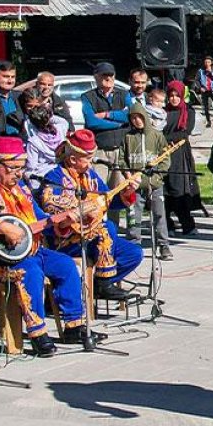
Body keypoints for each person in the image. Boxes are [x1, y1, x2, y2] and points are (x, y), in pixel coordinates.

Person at [0, 137, 95, 356]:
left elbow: (40, 219)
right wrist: (2, 227)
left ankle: (74, 325)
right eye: (13, 168)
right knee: (31, 272)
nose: (18, 173)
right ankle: (37, 333)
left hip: (32, 249)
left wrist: (63, 220)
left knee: (64, 264)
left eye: (21, 168)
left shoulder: (21, 188)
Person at [39, 129, 144, 302]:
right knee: (108, 227)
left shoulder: (91, 176)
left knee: (134, 253)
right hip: (67, 239)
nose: (91, 162)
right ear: (73, 159)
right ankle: (103, 284)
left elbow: (107, 200)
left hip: (94, 238)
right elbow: (51, 208)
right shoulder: (55, 177)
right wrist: (85, 210)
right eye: (87, 158)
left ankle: (95, 285)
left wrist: (126, 192)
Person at [80, 62, 131, 228]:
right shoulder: (88, 96)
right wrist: (117, 123)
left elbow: (130, 116)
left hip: (120, 151)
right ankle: (97, 227)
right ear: (96, 77)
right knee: (98, 192)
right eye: (104, 75)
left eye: (111, 75)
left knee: (116, 192)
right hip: (100, 151)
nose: (108, 78)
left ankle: (113, 229)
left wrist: (107, 114)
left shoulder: (124, 94)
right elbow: (91, 121)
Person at [120, 103, 173, 261]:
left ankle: (163, 245)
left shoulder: (157, 136)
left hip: (154, 184)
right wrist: (129, 177)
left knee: (159, 214)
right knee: (133, 215)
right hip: (135, 185)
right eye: (133, 118)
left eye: (139, 117)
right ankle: (134, 245)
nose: (136, 121)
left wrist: (158, 177)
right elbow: (122, 160)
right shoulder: (128, 137)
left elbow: (165, 158)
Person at [162, 80, 202, 236]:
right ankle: (168, 225)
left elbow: (185, 133)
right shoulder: (163, 112)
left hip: (180, 153)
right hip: (164, 153)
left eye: (176, 95)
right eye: (171, 95)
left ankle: (187, 224)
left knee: (179, 188)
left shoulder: (188, 111)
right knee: (164, 189)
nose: (173, 99)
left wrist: (166, 138)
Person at [20, 87, 69, 194]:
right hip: (58, 174)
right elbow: (63, 121)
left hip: (39, 179)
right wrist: (46, 115)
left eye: (36, 107)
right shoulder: (61, 129)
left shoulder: (33, 141)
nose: (33, 109)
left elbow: (31, 167)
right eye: (30, 106)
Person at [195, 56, 213, 126]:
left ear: (211, 63)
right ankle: (208, 121)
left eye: (208, 62)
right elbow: (196, 80)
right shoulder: (200, 70)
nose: (207, 63)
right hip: (204, 90)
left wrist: (211, 73)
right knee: (205, 107)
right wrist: (200, 87)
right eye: (205, 62)